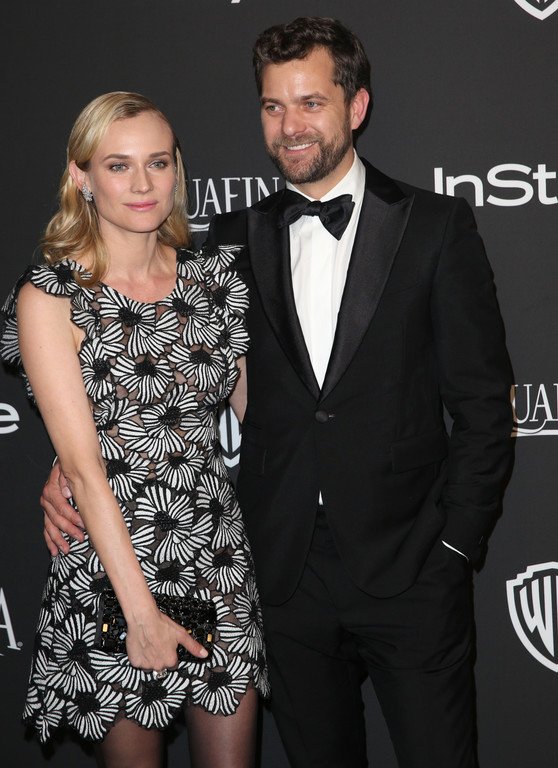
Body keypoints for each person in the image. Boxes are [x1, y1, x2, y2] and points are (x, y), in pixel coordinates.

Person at [41, 17, 514, 768]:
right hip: (277, 574)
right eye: (272, 106)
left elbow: (485, 405)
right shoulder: (227, 242)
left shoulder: (435, 226)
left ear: (356, 106)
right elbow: (152, 372)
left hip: (411, 567)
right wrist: (67, 461)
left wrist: (456, 544)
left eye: (310, 103)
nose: (290, 126)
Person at [0, 91, 268, 768]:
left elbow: (265, 418)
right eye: (118, 166)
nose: (143, 183)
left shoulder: (216, 282)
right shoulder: (51, 296)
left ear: (177, 169)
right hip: (112, 568)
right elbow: (84, 467)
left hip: (214, 556)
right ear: (81, 176)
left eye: (158, 162)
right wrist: (142, 614)